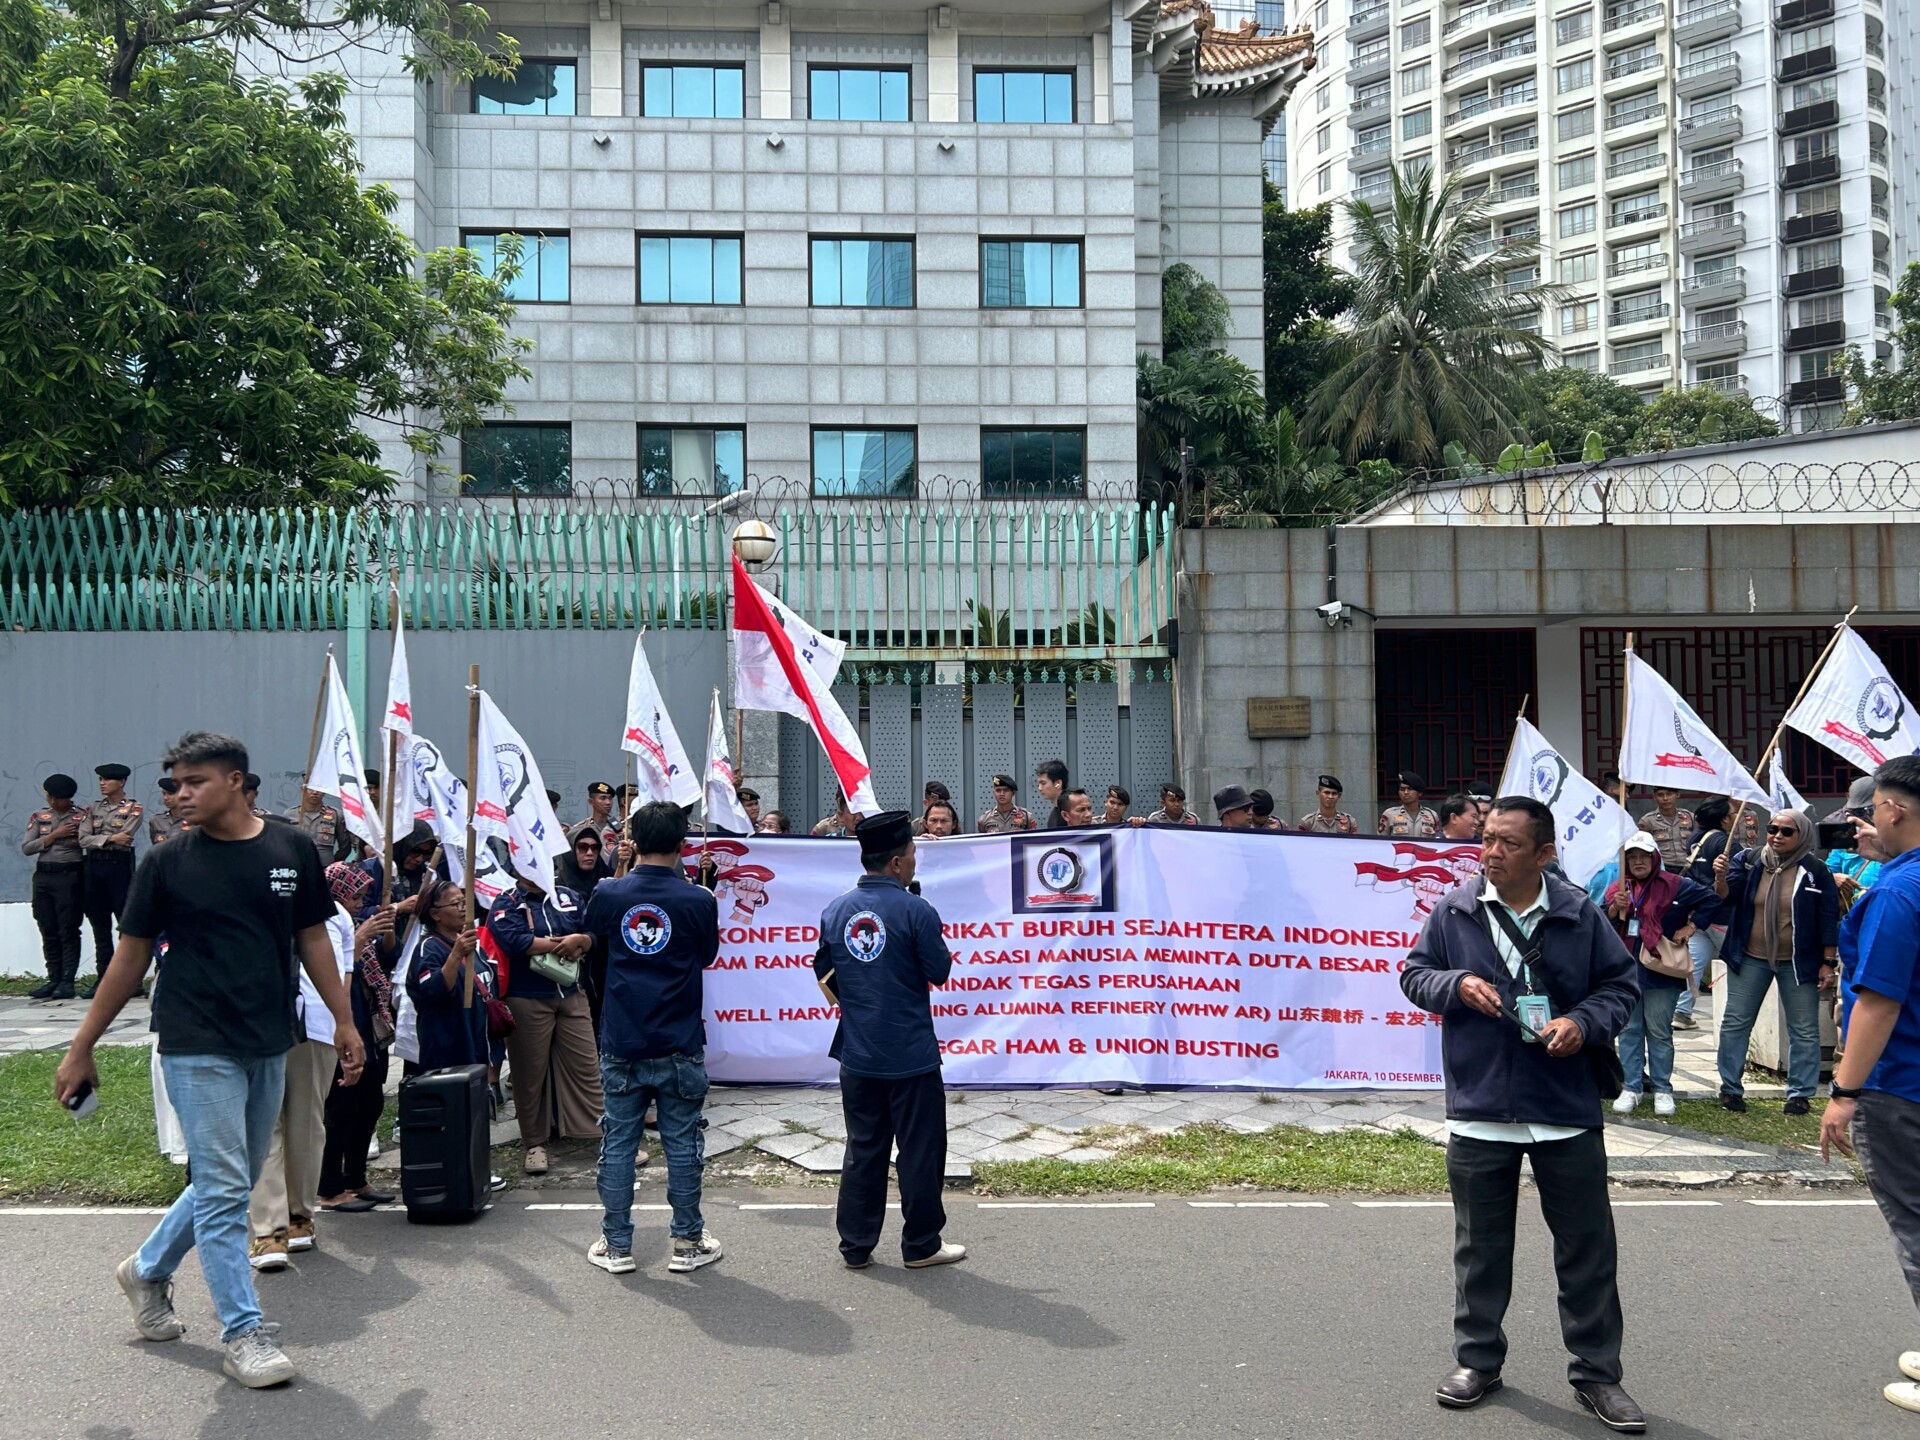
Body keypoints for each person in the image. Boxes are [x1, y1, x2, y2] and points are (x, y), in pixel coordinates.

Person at [55, 730, 363, 1390]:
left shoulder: (291, 849)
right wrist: (82, 1045)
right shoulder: (167, 862)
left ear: (236, 782)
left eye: (194, 782)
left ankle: (145, 1270)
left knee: (233, 1178)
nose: (179, 794)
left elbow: (313, 936)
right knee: (226, 1191)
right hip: (195, 1040)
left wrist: (343, 1020)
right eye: (174, 784)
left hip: (270, 1038)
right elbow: (130, 957)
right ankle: (243, 1332)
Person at [1400, 796, 1643, 1433]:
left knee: (1587, 1248)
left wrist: (1581, 1022)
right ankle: (1477, 1360)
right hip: (1481, 1107)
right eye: (1487, 839)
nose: (1491, 852)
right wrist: (1454, 985)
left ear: (1544, 854)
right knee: (1480, 1249)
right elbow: (1415, 975)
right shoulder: (1455, 910)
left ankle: (1598, 1373)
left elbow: (1620, 987)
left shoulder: (1579, 913)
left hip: (1564, 1107)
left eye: (1508, 843)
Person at [814, 810, 963, 1270]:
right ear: (897, 862)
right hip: (910, 1054)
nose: (915, 860)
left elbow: (825, 974)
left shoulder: (835, 910)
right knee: (920, 1152)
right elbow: (940, 970)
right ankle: (921, 1245)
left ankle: (856, 1246)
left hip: (857, 1051)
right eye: (913, 853)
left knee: (864, 1149)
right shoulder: (917, 910)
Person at [1819, 756, 1920, 1417]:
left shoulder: (1896, 893)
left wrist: (1844, 1091)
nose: (1867, 822)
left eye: (1873, 808)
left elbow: (1879, 1003)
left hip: (1900, 1083)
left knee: (1915, 1224)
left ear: (1895, 810)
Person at [581, 802, 722, 1275]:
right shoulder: (699, 899)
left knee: (619, 1142)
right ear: (682, 845)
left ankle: (617, 1243)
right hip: (679, 1036)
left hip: (622, 1037)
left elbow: (594, 939)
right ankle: (688, 1241)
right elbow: (706, 956)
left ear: (634, 842)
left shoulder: (609, 891)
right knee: (682, 1143)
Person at [246, 861, 367, 1270]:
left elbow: (343, 977)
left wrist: (344, 1026)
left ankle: (299, 1218)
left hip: (314, 1025)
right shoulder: (247, 896)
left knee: (305, 1123)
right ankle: (270, 1231)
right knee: (263, 1124)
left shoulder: (336, 913)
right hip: (257, 1024)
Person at [1712, 808, 1839, 1115]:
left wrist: (1828, 961)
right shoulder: (1751, 861)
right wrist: (1720, 877)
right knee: (1735, 1022)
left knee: (1804, 1028)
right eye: (1772, 829)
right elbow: (1727, 897)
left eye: (1787, 831)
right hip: (1750, 957)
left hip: (1798, 961)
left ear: (1802, 835)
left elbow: (1828, 916)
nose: (1777, 836)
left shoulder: (1815, 870)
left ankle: (1800, 1093)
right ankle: (1730, 1089)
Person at [488, 874, 602, 1177]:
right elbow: (513, 941)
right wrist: (562, 944)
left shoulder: (568, 896)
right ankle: (534, 1142)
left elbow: (593, 932)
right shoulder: (507, 901)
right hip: (526, 997)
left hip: (571, 992)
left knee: (587, 1067)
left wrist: (583, 941)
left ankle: (600, 1133)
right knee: (529, 1072)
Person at [1604, 833, 1717, 1117]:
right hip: (1626, 969)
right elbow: (1602, 923)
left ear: (1654, 858)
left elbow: (1712, 899)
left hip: (1661, 969)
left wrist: (1691, 927)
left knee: (1659, 1030)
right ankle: (1631, 1086)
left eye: (1644, 856)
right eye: (1632, 857)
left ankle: (1662, 1088)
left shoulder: (1675, 885)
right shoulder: (1619, 887)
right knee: (1629, 1029)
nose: (1638, 862)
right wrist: (1615, 908)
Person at [317, 863, 397, 1214]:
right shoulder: (324, 926)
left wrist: (383, 931)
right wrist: (359, 937)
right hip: (337, 1028)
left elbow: (385, 959)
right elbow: (331, 970)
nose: (359, 904)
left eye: (363, 897)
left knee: (370, 1104)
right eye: (355, 897)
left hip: (366, 1026)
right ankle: (329, 1187)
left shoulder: (353, 924)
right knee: (341, 1109)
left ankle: (356, 1177)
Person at [406, 876, 488, 1073]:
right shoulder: (429, 948)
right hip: (447, 1046)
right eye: (455, 904)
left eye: (464, 902)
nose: (463, 908)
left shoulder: (468, 943)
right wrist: (456, 955)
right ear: (435, 914)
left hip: (474, 1039)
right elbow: (433, 991)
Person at [78, 761, 143, 998]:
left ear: (122, 782)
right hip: (94, 867)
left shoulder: (133, 808)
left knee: (125, 925)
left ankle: (131, 981)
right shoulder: (92, 808)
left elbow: (127, 835)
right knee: (100, 925)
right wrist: (111, 838)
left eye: (107, 779)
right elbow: (82, 839)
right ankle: (103, 977)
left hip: (119, 868)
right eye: (100, 780)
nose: (102, 784)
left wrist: (102, 839)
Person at [1673, 796, 1736, 1031]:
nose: (1735, 817)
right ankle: (1735, 1014)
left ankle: (1682, 1011)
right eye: (1732, 814)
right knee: (1736, 965)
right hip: (1722, 915)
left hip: (1698, 914)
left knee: (1694, 964)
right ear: (1724, 819)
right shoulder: (1725, 843)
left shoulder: (1694, 839)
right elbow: (1734, 880)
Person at [24, 773, 87, 1001]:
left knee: (68, 928)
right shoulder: (40, 816)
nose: (51, 801)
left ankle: (67, 981)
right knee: (47, 926)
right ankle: (53, 977)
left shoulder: (81, 817)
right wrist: (54, 835)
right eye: (49, 797)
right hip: (44, 876)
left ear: (66, 799)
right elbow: (27, 847)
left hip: (69, 875)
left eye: (56, 798)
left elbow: (86, 842)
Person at [1640, 787, 1696, 870]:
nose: (1665, 798)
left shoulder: (1690, 817)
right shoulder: (1648, 821)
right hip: (1662, 868)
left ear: (1677, 794)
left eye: (1669, 794)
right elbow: (1641, 848)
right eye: (1660, 795)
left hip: (1689, 867)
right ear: (1654, 797)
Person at [558, 822, 614, 901]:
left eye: (594, 847)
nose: (590, 853)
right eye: (583, 847)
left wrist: (621, 864)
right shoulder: (554, 887)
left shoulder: (606, 878)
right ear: (570, 851)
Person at [1379, 771, 1439, 838]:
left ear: (1419, 793)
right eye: (1402, 789)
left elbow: (1438, 840)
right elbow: (1381, 840)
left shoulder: (1432, 815)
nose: (1406, 792)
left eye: (1410, 789)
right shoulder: (1389, 814)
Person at [576, 781, 618, 850]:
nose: (608, 802)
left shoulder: (618, 827)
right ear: (591, 801)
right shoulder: (581, 828)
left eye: (610, 798)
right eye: (603, 798)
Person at [149, 776, 187, 846]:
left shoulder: (195, 821)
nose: (165, 798)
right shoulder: (157, 820)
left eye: (170, 794)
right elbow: (155, 847)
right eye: (164, 794)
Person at [1034, 759, 1069, 829]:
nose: (1039, 788)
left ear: (1058, 784)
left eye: (1043, 783)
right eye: (1039, 784)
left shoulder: (1071, 812)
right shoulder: (1055, 813)